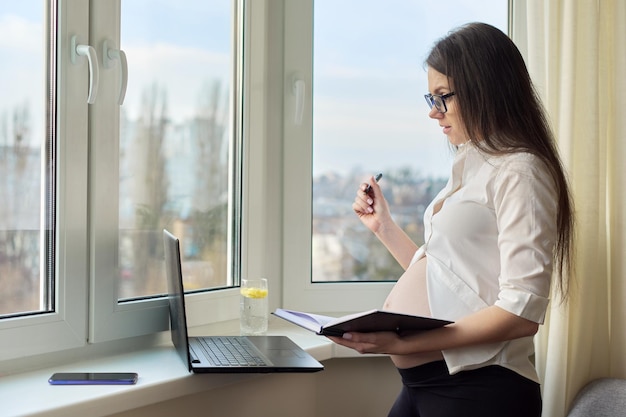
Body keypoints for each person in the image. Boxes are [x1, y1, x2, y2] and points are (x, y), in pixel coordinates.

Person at [329, 22, 575, 417]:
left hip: (479, 388)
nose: (433, 111)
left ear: (485, 90)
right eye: (431, 96)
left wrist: (404, 343)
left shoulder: (521, 172)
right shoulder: (474, 163)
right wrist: (385, 228)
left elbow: (521, 313)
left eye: (443, 97)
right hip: (428, 383)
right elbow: (449, 278)